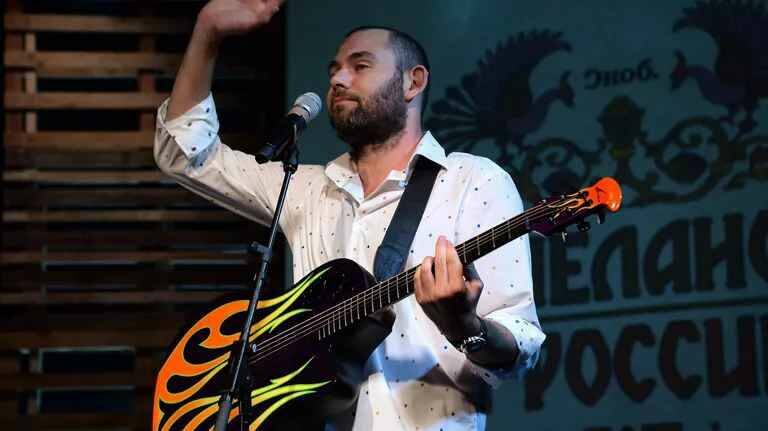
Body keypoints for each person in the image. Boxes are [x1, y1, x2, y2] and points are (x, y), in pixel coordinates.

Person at [154, 0, 545, 429]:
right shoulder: (304, 188)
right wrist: (208, 30)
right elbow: (186, 156)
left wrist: (465, 326)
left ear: (413, 82)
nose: (338, 80)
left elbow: (520, 344)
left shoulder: (473, 181)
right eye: (334, 71)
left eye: (360, 66)